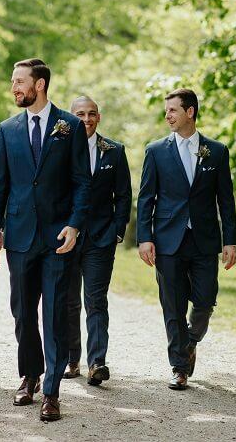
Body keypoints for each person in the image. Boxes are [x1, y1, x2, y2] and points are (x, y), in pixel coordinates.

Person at [0, 58, 91, 421]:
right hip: (19, 235)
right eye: (13, 81)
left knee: (56, 315)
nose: (14, 87)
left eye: (19, 81)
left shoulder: (71, 126)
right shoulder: (7, 129)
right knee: (23, 311)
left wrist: (74, 225)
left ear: (39, 84)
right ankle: (30, 374)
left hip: (59, 238)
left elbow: (82, 182)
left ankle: (51, 391)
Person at [137, 88, 236, 390]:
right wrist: (145, 237)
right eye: (166, 111)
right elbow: (146, 199)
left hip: (205, 240)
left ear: (190, 112)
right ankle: (179, 366)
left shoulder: (216, 151)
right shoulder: (155, 151)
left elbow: (226, 200)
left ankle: (190, 340)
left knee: (205, 299)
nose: (167, 115)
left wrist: (230, 240)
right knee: (173, 304)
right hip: (168, 240)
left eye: (172, 110)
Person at [63, 95, 131, 386]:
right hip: (66, 237)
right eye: (80, 114)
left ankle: (97, 362)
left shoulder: (114, 151)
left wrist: (117, 230)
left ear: (99, 117)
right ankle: (71, 359)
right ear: (71, 117)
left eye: (91, 114)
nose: (86, 119)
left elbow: (125, 195)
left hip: (101, 239)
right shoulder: (60, 150)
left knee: (96, 301)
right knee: (67, 302)